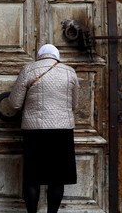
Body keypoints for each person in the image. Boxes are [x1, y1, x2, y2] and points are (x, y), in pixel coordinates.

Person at [8, 44, 79, 213]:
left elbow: (15, 104)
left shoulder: (28, 70)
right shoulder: (70, 72)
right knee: (57, 178)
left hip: (35, 131)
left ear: (39, 55)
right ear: (56, 55)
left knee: (33, 177)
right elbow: (74, 105)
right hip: (62, 130)